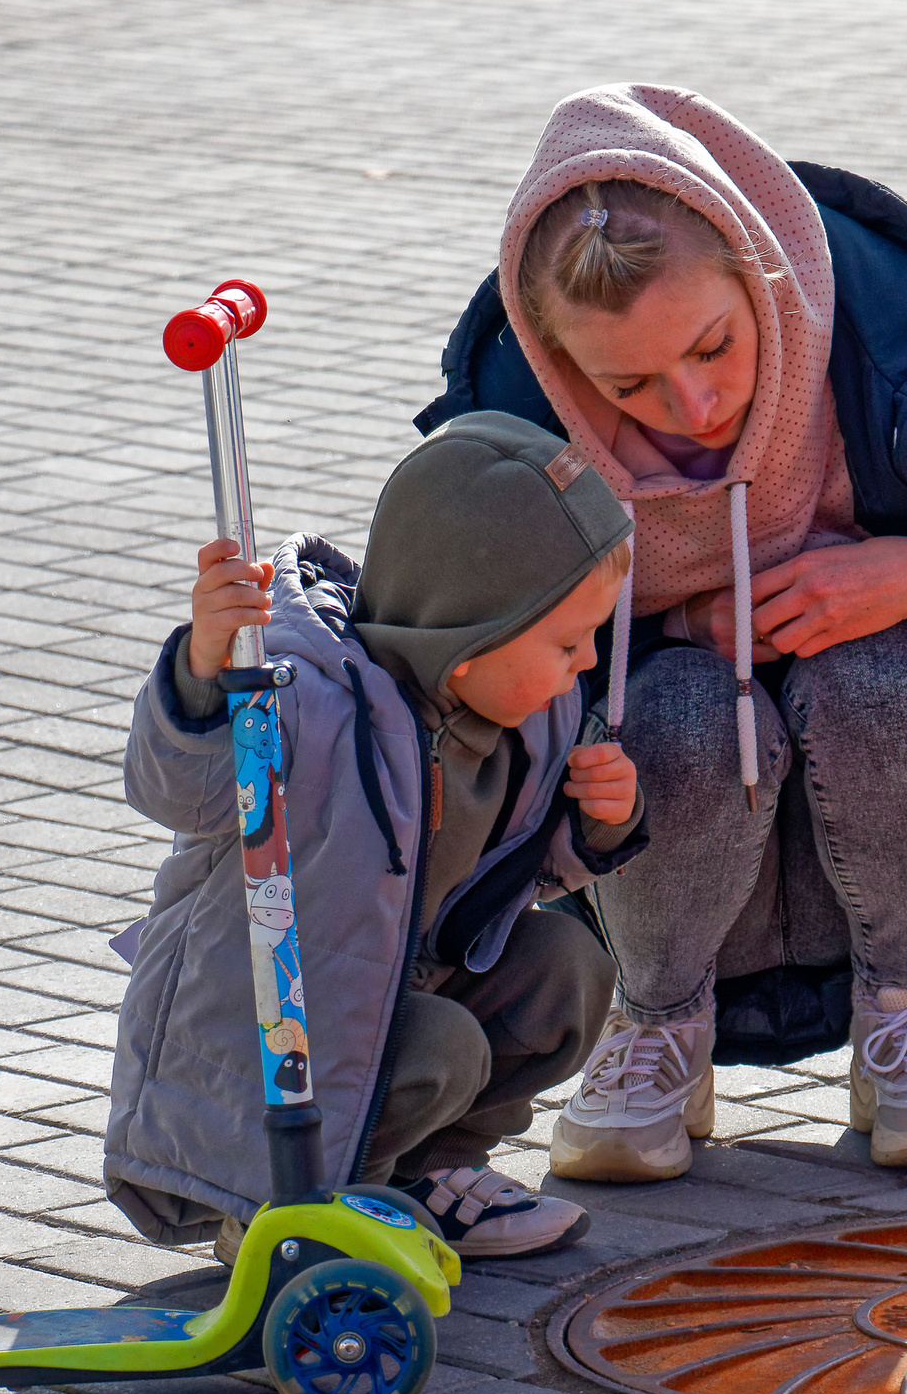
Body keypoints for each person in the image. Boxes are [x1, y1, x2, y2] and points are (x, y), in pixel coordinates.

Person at [420, 84, 907, 1182]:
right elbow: (446, 664)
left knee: (879, 668)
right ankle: (656, 1032)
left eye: (714, 346)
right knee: (661, 705)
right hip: (654, 841)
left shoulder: (904, 337)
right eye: (628, 385)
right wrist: (660, 617)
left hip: (904, 806)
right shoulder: (506, 427)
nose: (693, 403)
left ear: (764, 275)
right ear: (555, 359)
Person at [103, 412, 648, 1260]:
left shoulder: (525, 721)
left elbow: (512, 881)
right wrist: (205, 668)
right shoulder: (306, 697)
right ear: (471, 639)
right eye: (568, 641)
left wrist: (600, 822)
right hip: (269, 1030)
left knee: (566, 971)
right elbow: (177, 787)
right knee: (443, 1045)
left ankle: (428, 1176)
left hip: (393, 988)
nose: (585, 664)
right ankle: (286, 1211)